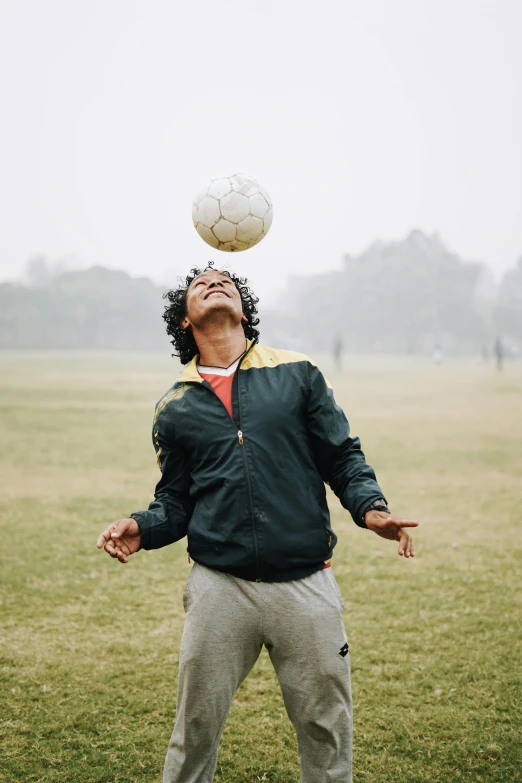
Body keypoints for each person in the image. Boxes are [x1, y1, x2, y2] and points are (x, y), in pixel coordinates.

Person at [96, 263, 418, 783]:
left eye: (225, 280)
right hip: (219, 589)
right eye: (199, 284)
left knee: (326, 729)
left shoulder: (298, 372)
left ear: (245, 309)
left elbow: (342, 455)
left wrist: (369, 507)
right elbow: (175, 501)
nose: (213, 282)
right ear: (184, 320)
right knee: (194, 729)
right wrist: (142, 527)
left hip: (307, 584)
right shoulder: (174, 408)